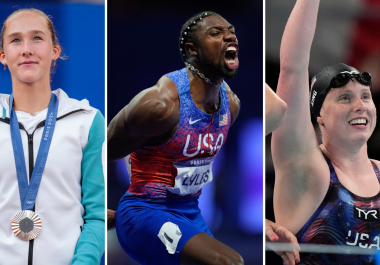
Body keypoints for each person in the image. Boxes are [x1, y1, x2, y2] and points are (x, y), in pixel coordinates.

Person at [107, 11, 243, 265]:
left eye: (231, 31)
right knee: (229, 262)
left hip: (190, 213)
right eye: (215, 33)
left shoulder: (230, 105)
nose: (229, 36)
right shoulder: (160, 105)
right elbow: (98, 152)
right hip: (144, 213)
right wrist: (92, 212)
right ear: (193, 49)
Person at [272, 0, 379, 263]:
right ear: (319, 116)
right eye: (344, 98)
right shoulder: (306, 171)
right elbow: (293, 68)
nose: (360, 106)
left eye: (365, 96)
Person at [0, 8, 105, 264]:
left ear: (55, 50)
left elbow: (97, 216)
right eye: (15, 40)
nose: (26, 49)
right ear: (3, 56)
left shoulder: (87, 120)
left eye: (37, 38)